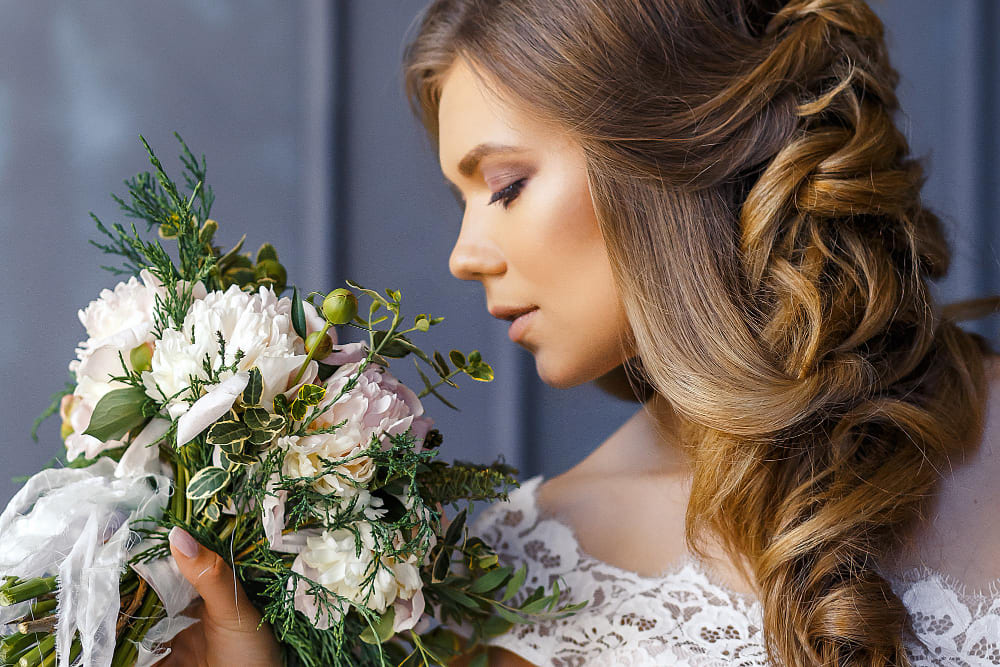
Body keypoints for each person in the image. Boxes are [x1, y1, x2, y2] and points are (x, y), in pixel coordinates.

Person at [164, 0, 1000, 665]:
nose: (463, 255)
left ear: (674, 146)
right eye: (462, 199)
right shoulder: (524, 574)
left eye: (504, 184)